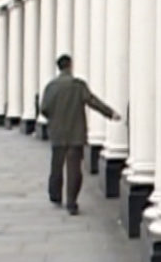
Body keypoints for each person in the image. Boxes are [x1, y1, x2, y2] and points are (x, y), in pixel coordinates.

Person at [40, 54, 119, 215]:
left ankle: (55, 195)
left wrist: (54, 120)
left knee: (56, 166)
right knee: (74, 169)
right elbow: (92, 101)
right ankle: (71, 202)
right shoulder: (78, 85)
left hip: (57, 134)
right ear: (70, 66)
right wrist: (110, 113)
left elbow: (44, 108)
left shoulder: (51, 86)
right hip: (76, 134)